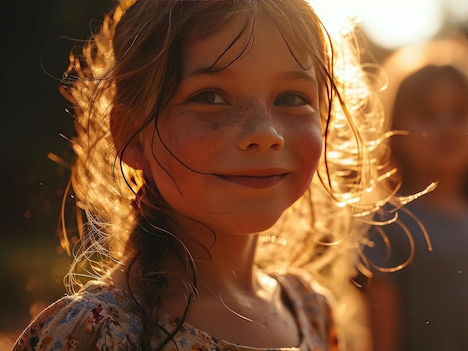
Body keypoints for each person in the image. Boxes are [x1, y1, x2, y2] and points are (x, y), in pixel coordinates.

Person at [12, 1, 395, 350]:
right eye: (210, 96)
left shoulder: (311, 313)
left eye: (292, 98)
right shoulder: (94, 334)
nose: (265, 133)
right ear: (132, 134)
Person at [363, 63, 468, 351]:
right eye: (428, 115)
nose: (447, 126)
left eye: (460, 113)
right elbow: (381, 339)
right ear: (395, 132)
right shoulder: (389, 222)